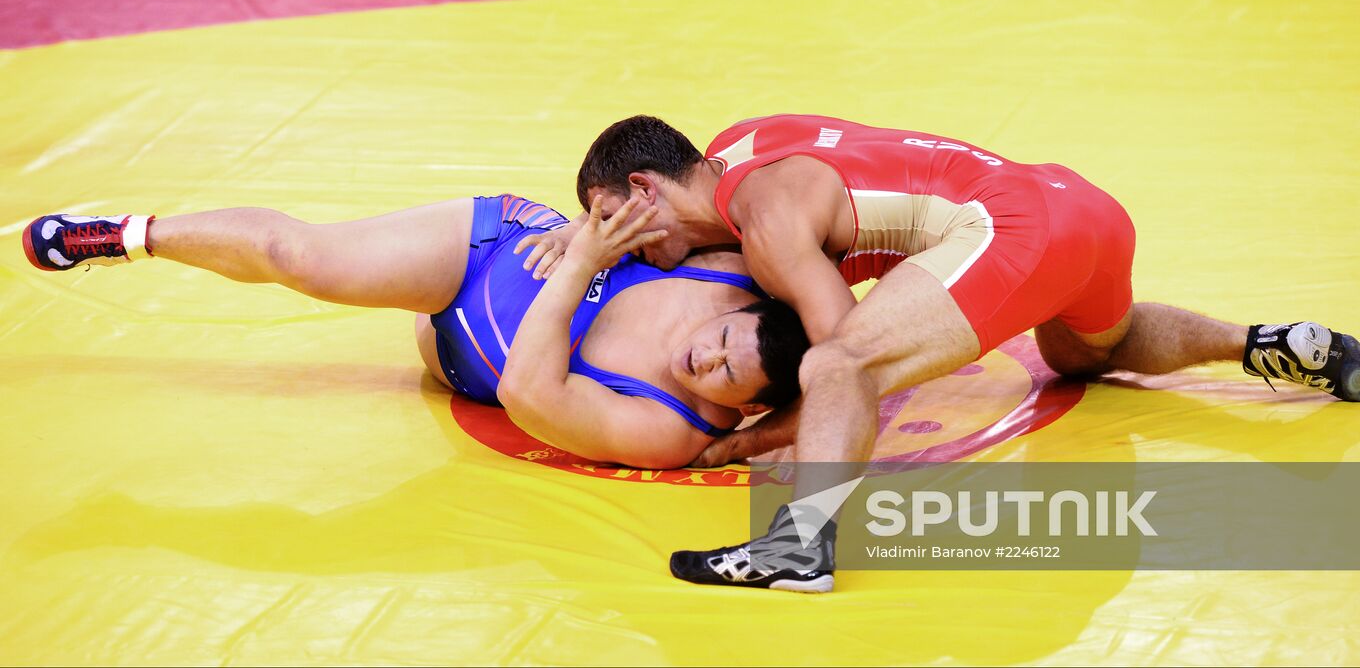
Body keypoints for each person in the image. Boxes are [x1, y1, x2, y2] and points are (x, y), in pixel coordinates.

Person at [555, 112, 1360, 593]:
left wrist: (742, 440)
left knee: (840, 363)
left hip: (1010, 226)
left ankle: (796, 545)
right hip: (1075, 204)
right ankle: (1273, 345)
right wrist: (579, 234)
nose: (617, 246)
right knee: (1091, 348)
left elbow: (843, 358)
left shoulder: (766, 224)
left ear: (645, 190)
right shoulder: (738, 146)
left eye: (610, 219)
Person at [21, 194, 810, 469]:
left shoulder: (671, 429)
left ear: (739, 410)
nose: (700, 357)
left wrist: (582, 264)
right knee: (296, 254)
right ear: (742, 309)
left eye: (719, 376)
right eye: (721, 340)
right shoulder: (735, 267)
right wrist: (583, 223)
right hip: (491, 245)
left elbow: (529, 396)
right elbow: (673, 191)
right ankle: (125, 234)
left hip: (465, 353)